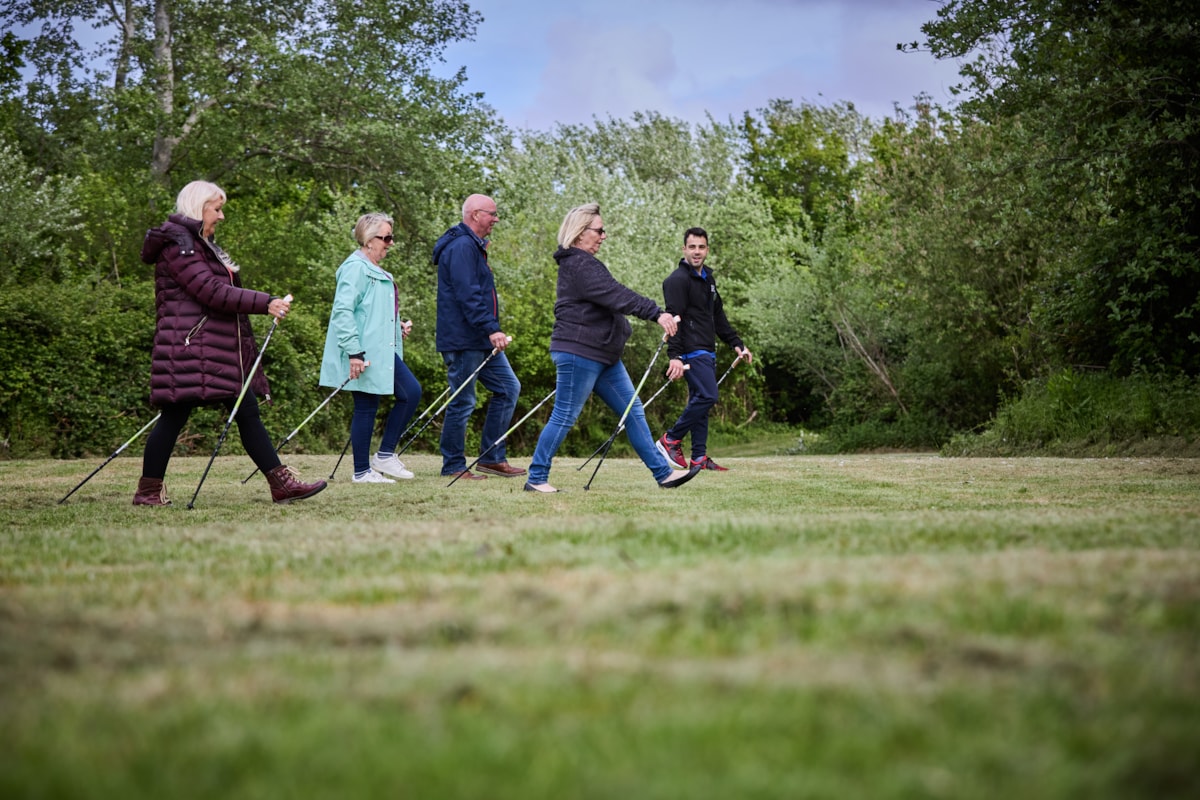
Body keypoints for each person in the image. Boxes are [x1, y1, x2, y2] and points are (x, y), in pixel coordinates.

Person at [134, 180, 327, 506]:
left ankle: (281, 483)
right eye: (217, 209)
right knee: (175, 415)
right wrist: (265, 302)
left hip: (210, 346)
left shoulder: (197, 244)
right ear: (199, 208)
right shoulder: (180, 246)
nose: (222, 216)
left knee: (245, 410)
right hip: (191, 347)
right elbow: (211, 290)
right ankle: (148, 492)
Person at [524, 203, 702, 493]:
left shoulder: (584, 264)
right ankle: (536, 477)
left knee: (633, 413)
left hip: (603, 354)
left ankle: (663, 474)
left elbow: (611, 296)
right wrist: (657, 313)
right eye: (599, 230)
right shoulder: (578, 264)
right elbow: (615, 295)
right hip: (579, 351)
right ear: (581, 233)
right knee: (564, 415)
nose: (603, 236)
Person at [319, 213, 423, 484]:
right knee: (368, 405)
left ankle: (383, 456)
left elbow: (370, 312)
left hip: (379, 350)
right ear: (368, 240)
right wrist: (354, 352)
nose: (390, 243)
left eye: (391, 237)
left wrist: (396, 327)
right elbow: (343, 312)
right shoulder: (355, 268)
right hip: (363, 352)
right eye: (386, 237)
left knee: (409, 392)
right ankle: (363, 471)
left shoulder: (373, 269)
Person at [432, 194, 525, 481]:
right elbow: (468, 294)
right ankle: (453, 466)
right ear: (475, 214)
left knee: (509, 388)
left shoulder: (472, 246)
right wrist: (491, 328)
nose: (496, 219)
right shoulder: (461, 246)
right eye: (492, 214)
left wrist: (488, 329)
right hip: (464, 339)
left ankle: (491, 458)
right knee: (463, 401)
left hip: (479, 338)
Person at [656, 227, 752, 472]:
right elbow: (673, 320)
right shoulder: (676, 281)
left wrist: (737, 344)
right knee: (709, 396)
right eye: (692, 247)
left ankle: (698, 457)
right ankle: (670, 439)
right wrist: (674, 356)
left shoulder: (708, 280)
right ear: (684, 249)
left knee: (701, 399)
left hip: (707, 349)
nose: (697, 252)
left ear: (707, 249)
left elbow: (717, 316)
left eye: (701, 247)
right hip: (690, 351)